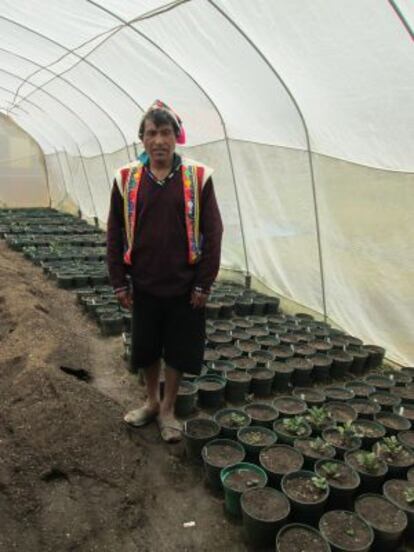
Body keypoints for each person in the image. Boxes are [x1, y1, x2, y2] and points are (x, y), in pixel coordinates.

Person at [106, 100, 223, 442]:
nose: (159, 140)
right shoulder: (126, 179)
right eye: (152, 133)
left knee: (177, 349)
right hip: (143, 283)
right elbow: (114, 232)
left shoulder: (197, 177)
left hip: (185, 286)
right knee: (146, 347)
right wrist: (118, 282)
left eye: (166, 132)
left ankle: (169, 408)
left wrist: (203, 284)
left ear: (176, 137)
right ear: (142, 138)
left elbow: (213, 233)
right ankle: (151, 403)